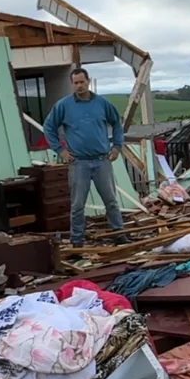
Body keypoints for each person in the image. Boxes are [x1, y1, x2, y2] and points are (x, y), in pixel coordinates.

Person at [43, 68, 130, 248]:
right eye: (75, 83)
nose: (79, 86)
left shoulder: (102, 104)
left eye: (82, 82)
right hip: (78, 163)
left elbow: (117, 124)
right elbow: (49, 127)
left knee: (111, 201)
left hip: (101, 160)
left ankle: (119, 234)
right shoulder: (64, 105)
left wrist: (117, 147)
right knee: (77, 205)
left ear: (88, 81)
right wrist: (61, 150)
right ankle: (77, 241)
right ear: (72, 83)